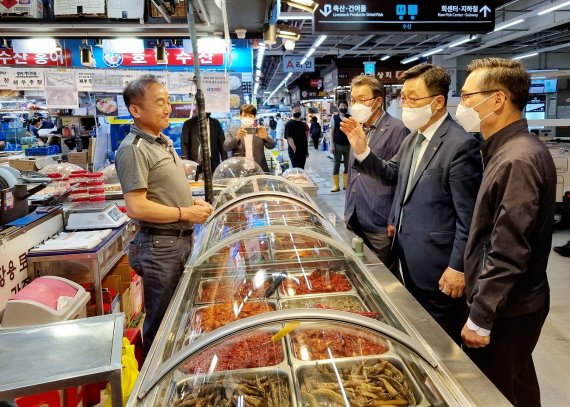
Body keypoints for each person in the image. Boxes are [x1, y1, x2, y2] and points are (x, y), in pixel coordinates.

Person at [341, 65, 483, 345]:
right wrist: (362, 150)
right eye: (403, 98)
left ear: (438, 101)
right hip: (408, 255)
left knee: (443, 337)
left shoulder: (460, 145)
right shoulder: (413, 139)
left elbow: (470, 218)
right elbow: (392, 174)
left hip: (439, 266)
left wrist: (458, 267)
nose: (405, 104)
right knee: (422, 328)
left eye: (413, 98)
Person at [458, 58, 556, 406]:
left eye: (467, 96)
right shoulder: (505, 150)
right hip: (515, 302)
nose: (462, 104)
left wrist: (481, 317)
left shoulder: (517, 159)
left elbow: (509, 248)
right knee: (518, 382)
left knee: (495, 391)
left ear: (497, 99)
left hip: (510, 307)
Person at [115, 75, 213, 358]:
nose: (168, 108)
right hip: (160, 248)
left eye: (168, 101)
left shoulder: (161, 142)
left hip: (176, 242)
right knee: (162, 324)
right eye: (160, 103)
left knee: (178, 316)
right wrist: (185, 212)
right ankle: (153, 388)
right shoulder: (134, 149)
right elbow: (136, 207)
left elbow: (161, 190)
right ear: (136, 110)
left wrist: (189, 201)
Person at [340, 75, 408, 272]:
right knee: (360, 269)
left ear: (378, 101)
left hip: (380, 217)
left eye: (362, 99)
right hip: (355, 215)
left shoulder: (398, 129)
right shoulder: (357, 127)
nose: (356, 104)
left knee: (384, 273)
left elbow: (399, 176)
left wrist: (394, 217)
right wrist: (348, 209)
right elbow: (354, 172)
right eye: (353, 100)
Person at [223, 104, 275, 172]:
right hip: (240, 170)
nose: (247, 118)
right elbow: (226, 147)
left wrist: (265, 138)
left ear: (254, 117)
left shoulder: (259, 131)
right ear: (240, 116)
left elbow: (272, 146)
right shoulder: (232, 132)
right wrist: (237, 138)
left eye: (250, 116)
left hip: (259, 169)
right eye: (245, 115)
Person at [330, 101, 351, 192]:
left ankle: (346, 184)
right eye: (341, 106)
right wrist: (332, 145)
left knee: (348, 165)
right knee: (336, 166)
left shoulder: (350, 118)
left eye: (345, 106)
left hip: (348, 145)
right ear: (338, 108)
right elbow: (331, 133)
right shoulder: (334, 118)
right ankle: (336, 185)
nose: (343, 107)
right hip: (337, 145)